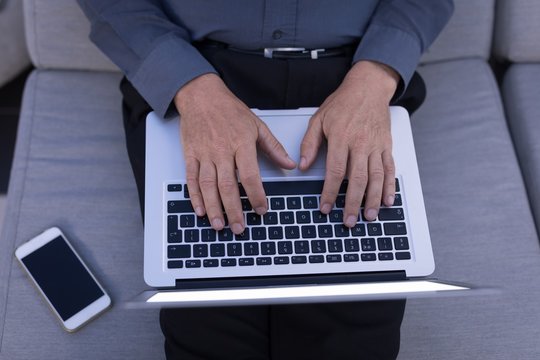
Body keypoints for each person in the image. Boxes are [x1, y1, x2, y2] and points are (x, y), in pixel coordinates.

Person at [78, 1, 454, 359]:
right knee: (207, 330)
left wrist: (376, 76)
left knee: (356, 337)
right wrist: (188, 86)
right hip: (194, 74)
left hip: (354, 77)